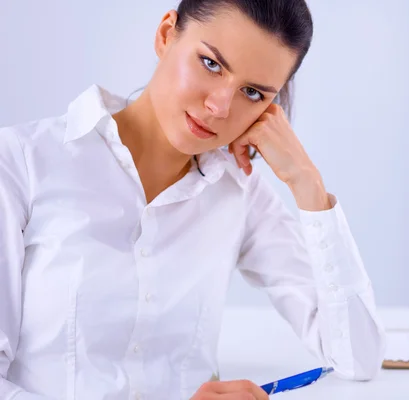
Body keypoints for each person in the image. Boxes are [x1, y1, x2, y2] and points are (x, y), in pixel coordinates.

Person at [0, 0, 386, 399]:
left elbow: (356, 357)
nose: (220, 107)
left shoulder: (239, 192)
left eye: (252, 93)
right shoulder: (21, 163)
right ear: (167, 35)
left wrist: (307, 183)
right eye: (211, 64)